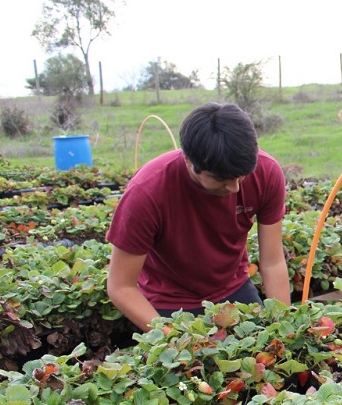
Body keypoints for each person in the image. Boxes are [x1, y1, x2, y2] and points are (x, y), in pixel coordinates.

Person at [106, 102, 290, 332]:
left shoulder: (266, 173)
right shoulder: (147, 192)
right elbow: (120, 286)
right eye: (221, 179)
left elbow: (272, 262)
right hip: (168, 303)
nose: (234, 188)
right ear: (189, 162)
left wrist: (283, 327)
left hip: (234, 289)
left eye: (241, 177)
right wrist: (172, 339)